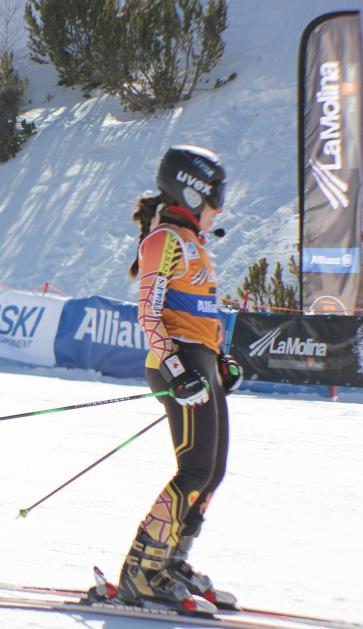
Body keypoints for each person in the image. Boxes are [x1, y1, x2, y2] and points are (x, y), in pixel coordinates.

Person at [113, 145, 244, 611]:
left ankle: (170, 561)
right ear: (190, 194)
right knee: (193, 469)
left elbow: (199, 312)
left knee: (212, 472)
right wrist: (177, 369)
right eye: (214, 198)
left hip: (197, 360)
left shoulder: (194, 244)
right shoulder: (164, 240)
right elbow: (148, 313)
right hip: (178, 364)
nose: (219, 208)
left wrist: (220, 357)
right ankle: (141, 572)